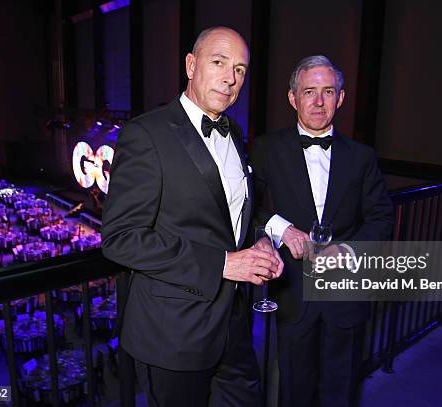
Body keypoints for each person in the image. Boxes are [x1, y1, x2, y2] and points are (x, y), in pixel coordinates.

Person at [101, 26, 283, 407]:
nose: (231, 78)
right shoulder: (145, 134)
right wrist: (223, 264)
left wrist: (260, 239)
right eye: (219, 62)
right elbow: (121, 238)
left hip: (233, 326)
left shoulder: (234, 131)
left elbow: (228, 215)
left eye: (240, 69)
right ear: (190, 64)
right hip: (174, 335)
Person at [251, 55, 394, 407]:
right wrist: (282, 230)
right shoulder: (267, 148)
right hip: (293, 291)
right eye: (309, 91)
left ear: (340, 98)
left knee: (341, 391)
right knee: (294, 391)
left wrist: (347, 250)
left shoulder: (362, 156)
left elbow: (381, 217)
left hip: (344, 293)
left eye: (328, 91)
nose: (318, 102)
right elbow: (244, 206)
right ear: (292, 98)